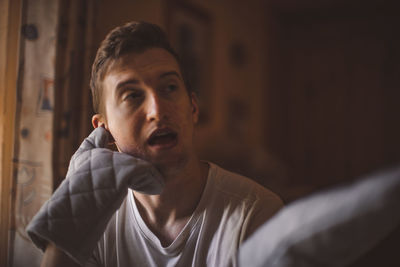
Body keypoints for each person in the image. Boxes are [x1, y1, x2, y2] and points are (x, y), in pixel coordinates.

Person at [40, 21, 283, 267]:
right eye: (133, 95)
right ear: (104, 129)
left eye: (169, 87)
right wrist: (73, 217)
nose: (157, 110)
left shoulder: (256, 213)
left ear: (193, 108)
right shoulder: (95, 222)